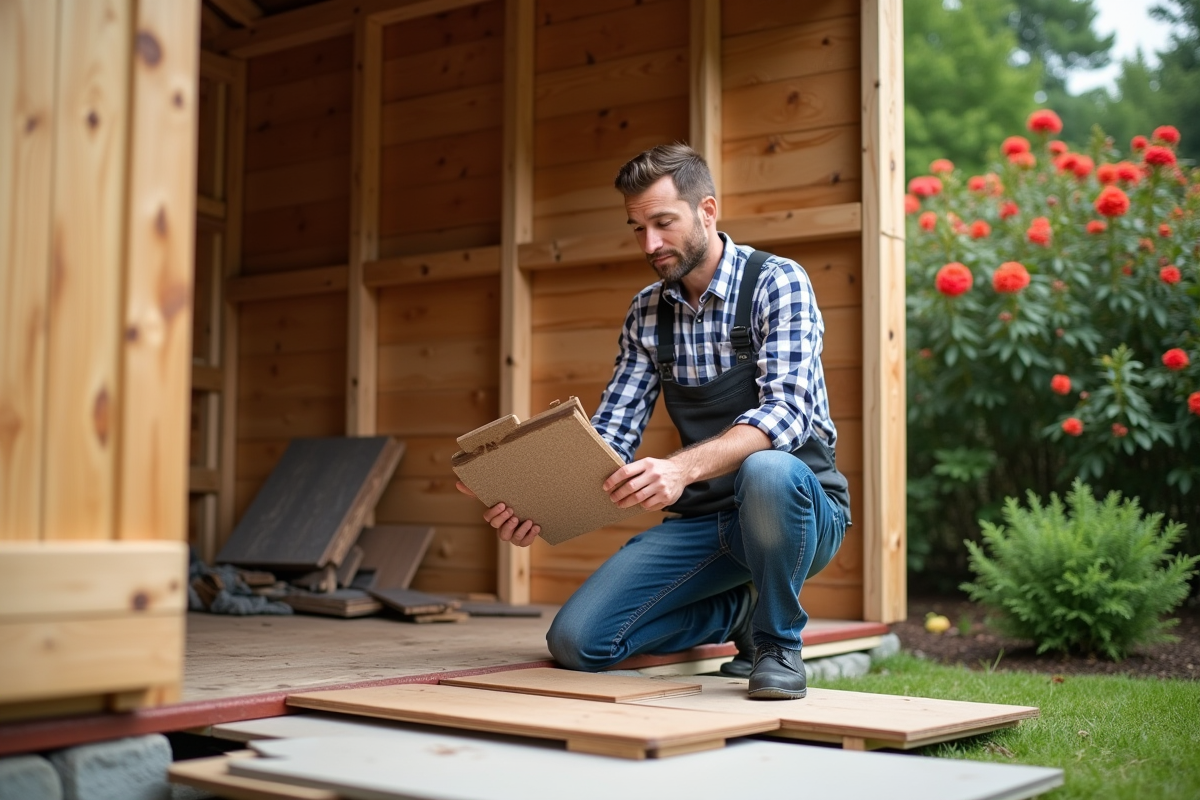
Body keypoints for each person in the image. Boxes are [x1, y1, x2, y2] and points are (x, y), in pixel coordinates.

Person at [456, 143, 851, 699]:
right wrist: (534, 504)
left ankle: (777, 643)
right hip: (706, 521)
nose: (651, 244)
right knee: (577, 642)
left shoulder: (776, 282)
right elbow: (611, 438)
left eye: (663, 223)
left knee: (767, 469)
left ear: (707, 211)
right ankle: (739, 612)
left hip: (799, 510)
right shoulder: (647, 312)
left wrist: (679, 470)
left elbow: (786, 413)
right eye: (637, 228)